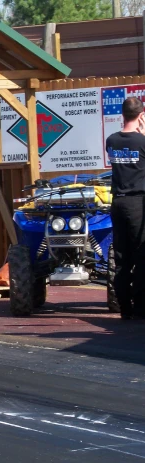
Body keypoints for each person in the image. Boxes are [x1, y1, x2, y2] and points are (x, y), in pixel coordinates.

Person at [105, 96, 145, 320]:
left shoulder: (112, 140)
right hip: (137, 202)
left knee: (121, 257)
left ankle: (124, 307)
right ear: (140, 116)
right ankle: (139, 307)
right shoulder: (142, 142)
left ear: (122, 114)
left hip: (117, 202)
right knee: (141, 255)